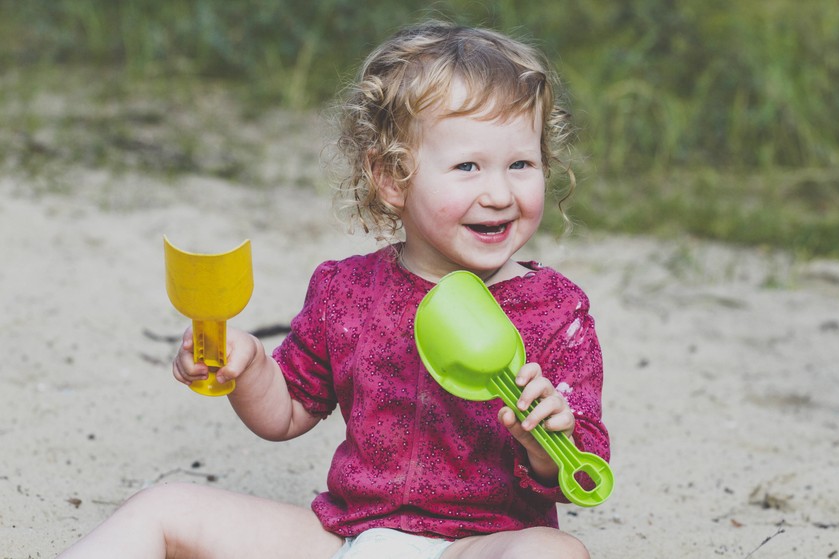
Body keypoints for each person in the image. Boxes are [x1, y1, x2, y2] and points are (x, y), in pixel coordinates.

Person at [58, 20, 609, 559]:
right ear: (392, 179)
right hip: (348, 537)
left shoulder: (556, 311)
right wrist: (249, 368)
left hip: (477, 545)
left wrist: (545, 444)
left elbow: (581, 472)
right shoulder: (346, 290)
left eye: (520, 164)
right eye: (468, 166)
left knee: (555, 551)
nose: (498, 192)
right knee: (164, 508)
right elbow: (289, 411)